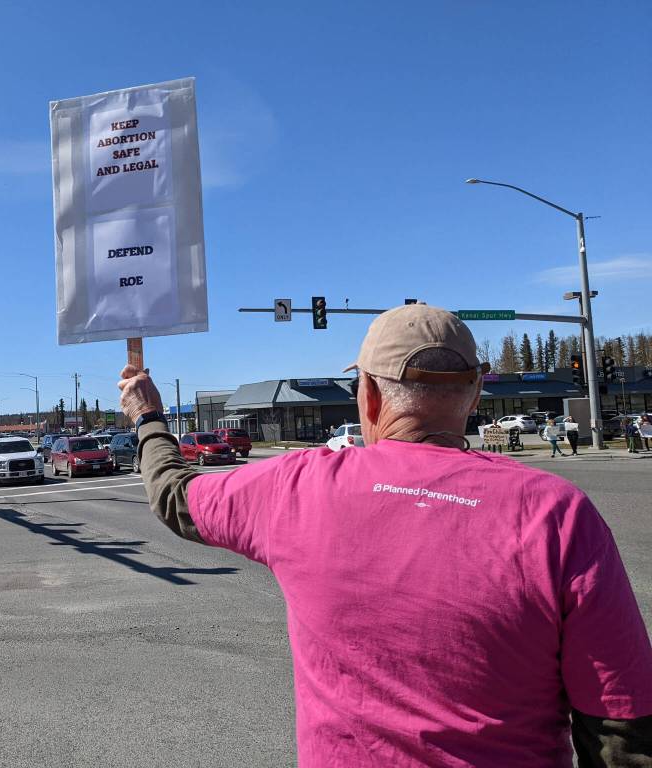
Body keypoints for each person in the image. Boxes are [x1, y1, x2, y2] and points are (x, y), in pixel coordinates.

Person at [118, 303, 652, 766]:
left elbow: (174, 496)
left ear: (367, 396)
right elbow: (621, 727)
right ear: (473, 396)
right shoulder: (556, 513)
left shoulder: (295, 487)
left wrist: (148, 416)